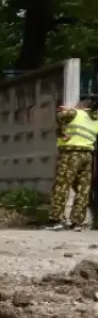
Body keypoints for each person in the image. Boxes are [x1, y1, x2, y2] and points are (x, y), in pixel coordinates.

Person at [47, 96, 98, 230]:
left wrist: (70, 111)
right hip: (87, 155)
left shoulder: (75, 113)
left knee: (62, 185)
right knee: (83, 189)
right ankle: (77, 222)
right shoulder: (95, 119)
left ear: (82, 104)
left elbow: (59, 117)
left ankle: (56, 219)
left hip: (71, 153)